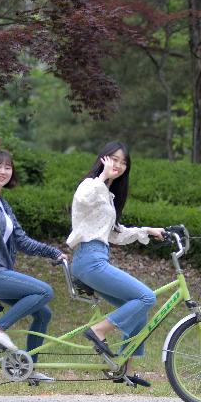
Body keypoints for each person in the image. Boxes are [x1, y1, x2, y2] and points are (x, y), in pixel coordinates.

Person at [0, 149, 66, 383]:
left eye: (8, 167)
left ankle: (28, 369)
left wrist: (53, 252)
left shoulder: (3, 205)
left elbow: (21, 240)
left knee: (43, 314)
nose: (3, 171)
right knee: (45, 291)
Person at [67, 141, 164, 387]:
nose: (118, 165)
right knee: (146, 297)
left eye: (123, 162)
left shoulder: (108, 196)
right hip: (89, 259)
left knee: (139, 311)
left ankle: (124, 369)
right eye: (114, 159)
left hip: (96, 257)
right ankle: (99, 331)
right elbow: (81, 199)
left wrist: (147, 231)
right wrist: (102, 176)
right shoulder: (91, 185)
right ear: (103, 159)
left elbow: (114, 234)